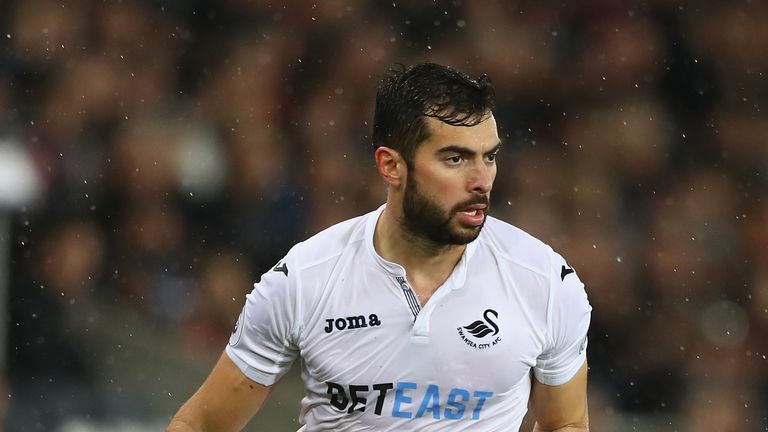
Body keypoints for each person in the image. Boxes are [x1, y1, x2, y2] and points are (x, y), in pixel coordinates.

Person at [166, 62, 592, 432]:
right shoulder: (306, 278)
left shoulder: (544, 282)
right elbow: (201, 423)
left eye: (490, 157)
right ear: (391, 166)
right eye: (456, 159)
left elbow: (566, 422)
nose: (482, 180)